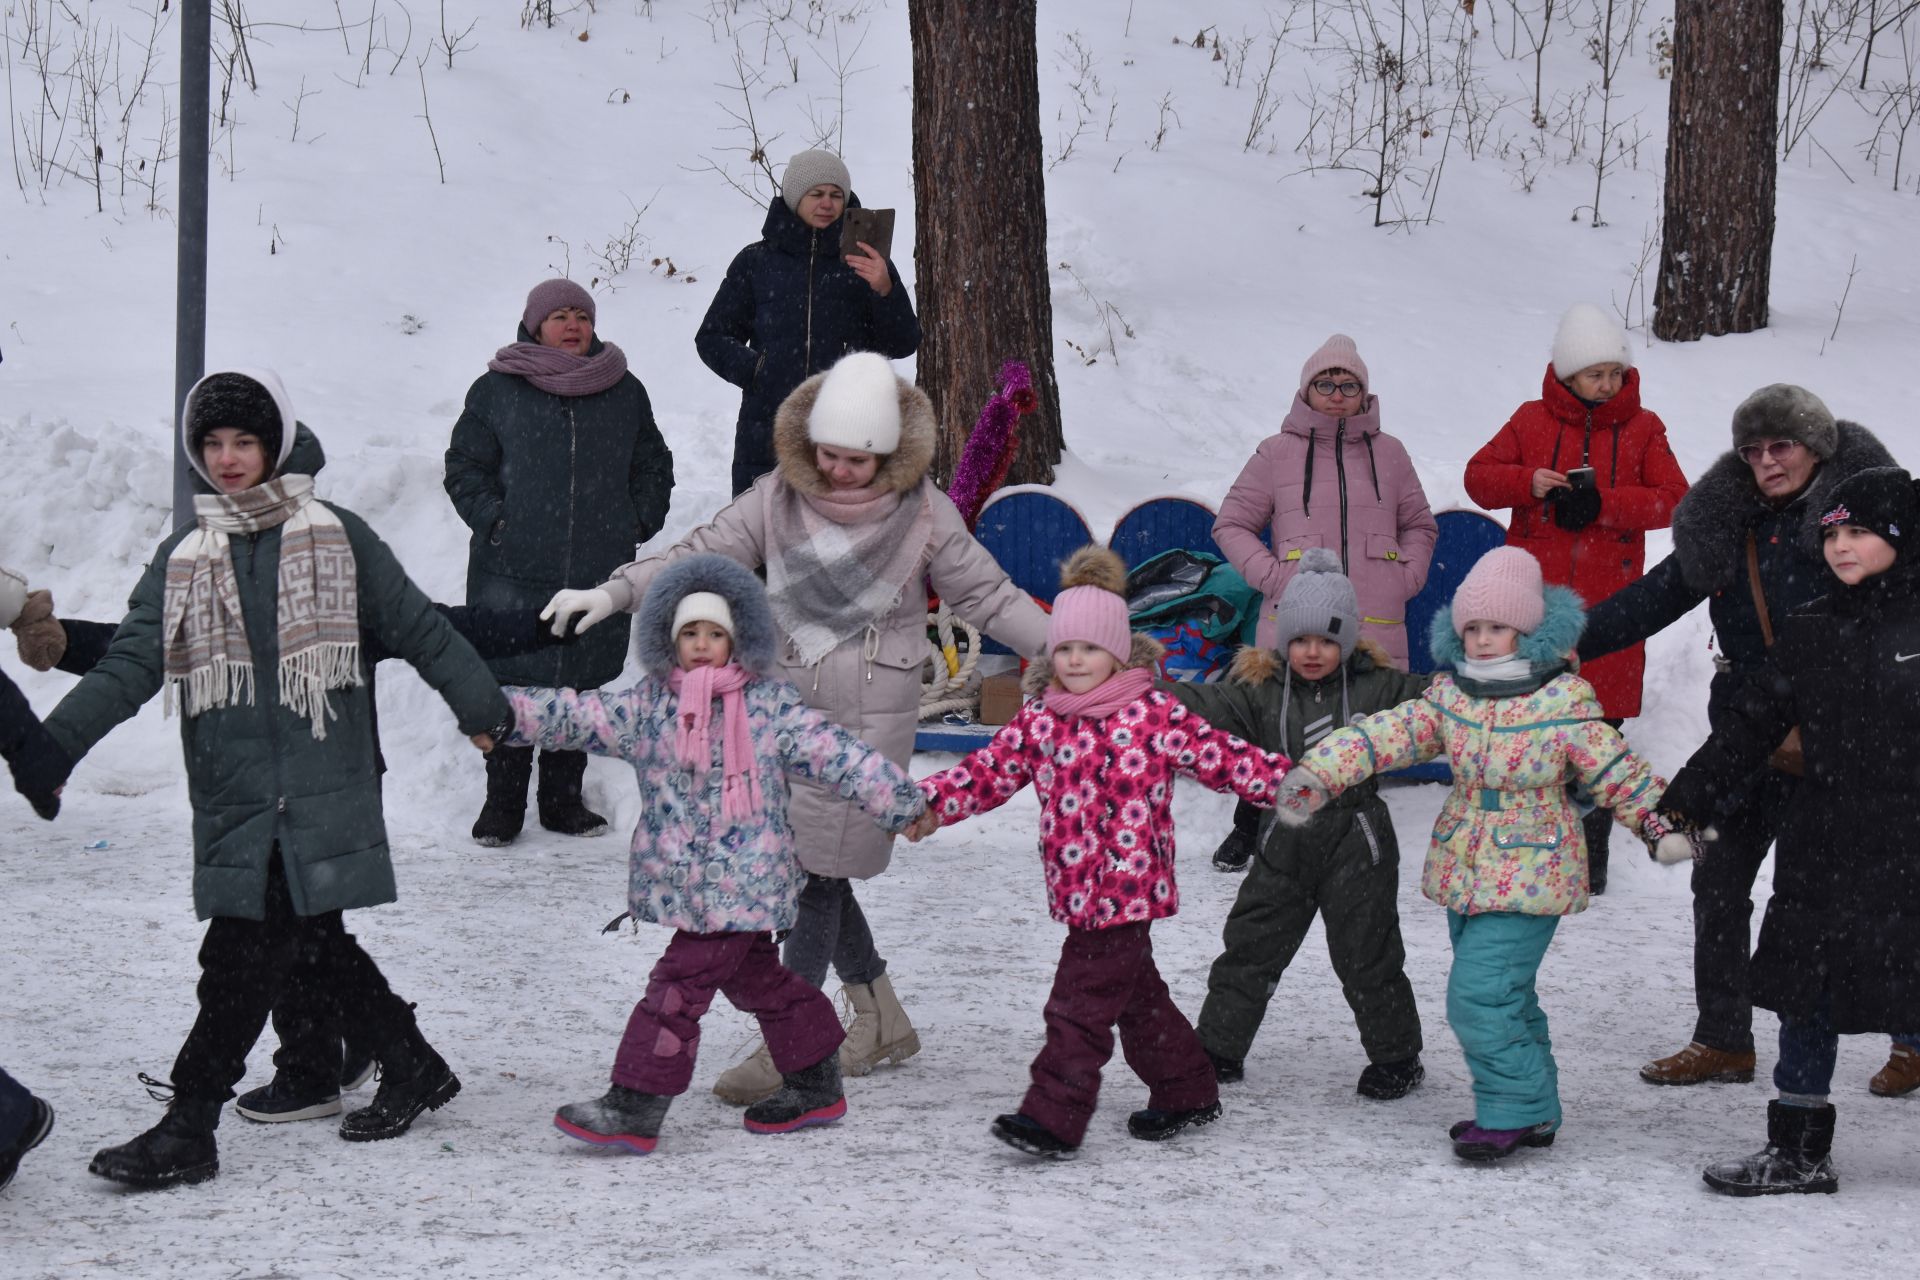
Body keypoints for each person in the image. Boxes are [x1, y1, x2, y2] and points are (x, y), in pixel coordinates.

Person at [39, 370, 514, 1190]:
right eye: (212, 444)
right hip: (236, 790)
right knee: (311, 947)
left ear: (276, 446)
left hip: (325, 783)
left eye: (244, 442)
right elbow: (131, 662)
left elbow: (420, 628)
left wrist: (482, 709)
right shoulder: (185, 557)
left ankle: (190, 1122)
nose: (227, 459)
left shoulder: (340, 536)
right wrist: (53, 747)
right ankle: (412, 1063)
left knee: (237, 959)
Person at [542, 351, 1049, 1104]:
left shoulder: (925, 512)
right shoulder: (776, 499)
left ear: (889, 454)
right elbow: (699, 557)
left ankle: (791, 1048)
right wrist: (616, 592)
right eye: (830, 455)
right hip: (777, 712)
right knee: (808, 867)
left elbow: (988, 594)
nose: (841, 472)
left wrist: (1072, 646)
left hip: (872, 711)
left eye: (860, 459)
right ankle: (877, 1015)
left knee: (811, 876)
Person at [505, 555, 927, 1152]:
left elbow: (837, 753)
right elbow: (580, 716)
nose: (702, 645)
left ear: (738, 639)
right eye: (690, 633)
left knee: (676, 989)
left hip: (747, 885)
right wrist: (502, 715)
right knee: (761, 984)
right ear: (669, 639)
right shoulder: (650, 708)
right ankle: (815, 1081)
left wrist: (901, 802)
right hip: (691, 887)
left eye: (715, 633)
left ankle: (635, 1103)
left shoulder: (767, 707)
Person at [1278, 546, 1671, 1162]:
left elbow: (1615, 769)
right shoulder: (1452, 696)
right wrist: (1320, 773)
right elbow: (1389, 733)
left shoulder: (1562, 702)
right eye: (1474, 629)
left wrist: (1656, 822)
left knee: (1479, 995)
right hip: (1466, 866)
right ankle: (1535, 1107)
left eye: (1498, 628)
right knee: (1507, 994)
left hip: (1533, 870)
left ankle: (1510, 1109)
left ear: (1530, 631)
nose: (1484, 641)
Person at [1576, 385, 1916, 1091]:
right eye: (1752, 450)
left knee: (1870, 892)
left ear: (1817, 446)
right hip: (1748, 727)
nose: (1765, 461)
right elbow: (1657, 596)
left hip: (1847, 735)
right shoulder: (1726, 523)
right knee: (1719, 879)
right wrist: (1566, 639)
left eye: (1780, 446)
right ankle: (1723, 1037)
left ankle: (1911, 1038)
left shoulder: (1864, 524)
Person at [910, 547, 1296, 1159]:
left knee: (1078, 1006)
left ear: (1117, 652)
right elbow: (986, 773)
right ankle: (1187, 1088)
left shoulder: (1152, 712)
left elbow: (1222, 754)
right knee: (1137, 1000)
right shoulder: (1042, 720)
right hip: (1075, 886)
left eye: (1089, 649)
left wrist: (1286, 784)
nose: (1075, 660)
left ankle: (1054, 1115)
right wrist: (930, 803)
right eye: (1064, 649)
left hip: (1128, 886)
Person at [1651, 467, 1920, 1193]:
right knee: (1809, 996)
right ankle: (1798, 1149)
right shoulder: (1808, 628)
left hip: (1911, 849)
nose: (1840, 545)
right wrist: (1684, 804)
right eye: (1831, 532)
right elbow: (1746, 728)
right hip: (1824, 845)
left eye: (1858, 531)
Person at [1164, 549, 1432, 1097]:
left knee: (1369, 953)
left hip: (1358, 840)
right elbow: (1199, 703)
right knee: (1251, 943)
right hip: (1283, 837)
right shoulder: (1260, 692)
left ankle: (1397, 1055)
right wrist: (1135, 692)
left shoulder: (1378, 689)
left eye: (1329, 640)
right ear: (1284, 640)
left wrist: (1508, 685)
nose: (1314, 651)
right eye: (1303, 640)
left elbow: (1443, 700)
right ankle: (1217, 1046)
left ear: (1349, 641)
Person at [1464, 303, 1689, 894]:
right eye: (1595, 373)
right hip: (1533, 601)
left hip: (1610, 605)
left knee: (1599, 729)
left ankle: (1591, 849)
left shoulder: (1644, 427)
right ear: (1567, 373)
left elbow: (1674, 499)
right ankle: (1515, 840)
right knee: (1523, 724)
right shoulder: (1530, 419)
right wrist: (1527, 482)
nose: (1608, 384)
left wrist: (1606, 503)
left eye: (1616, 372)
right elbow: (1477, 477)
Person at [445, 278, 675, 848]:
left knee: (578, 683)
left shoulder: (622, 389)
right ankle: (502, 804)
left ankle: (562, 801)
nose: (572, 325)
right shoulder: (497, 389)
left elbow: (653, 464)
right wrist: (497, 522)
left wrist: (636, 521)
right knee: (514, 682)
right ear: (534, 325)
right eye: (559, 316)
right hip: (512, 565)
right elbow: (463, 466)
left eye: (581, 315)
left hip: (597, 566)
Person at [1209, 334, 1437, 873]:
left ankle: (1352, 840)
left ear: (1364, 394)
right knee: (1281, 730)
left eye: (1348, 385)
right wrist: (1273, 579)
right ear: (1306, 391)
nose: (1337, 394)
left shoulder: (1392, 453)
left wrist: (1407, 575)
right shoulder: (1276, 452)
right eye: (1326, 384)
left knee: (1364, 732)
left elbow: (1419, 525)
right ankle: (1252, 826)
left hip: (1375, 622)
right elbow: (1233, 523)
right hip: (1297, 620)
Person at [695, 148, 921, 496]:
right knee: (763, 535)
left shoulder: (865, 263)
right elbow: (712, 336)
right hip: (767, 429)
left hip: (846, 431)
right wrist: (757, 370)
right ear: (794, 197)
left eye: (835, 195)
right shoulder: (756, 262)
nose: (827, 204)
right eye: (816, 194)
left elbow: (903, 343)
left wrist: (884, 289)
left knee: (840, 540)